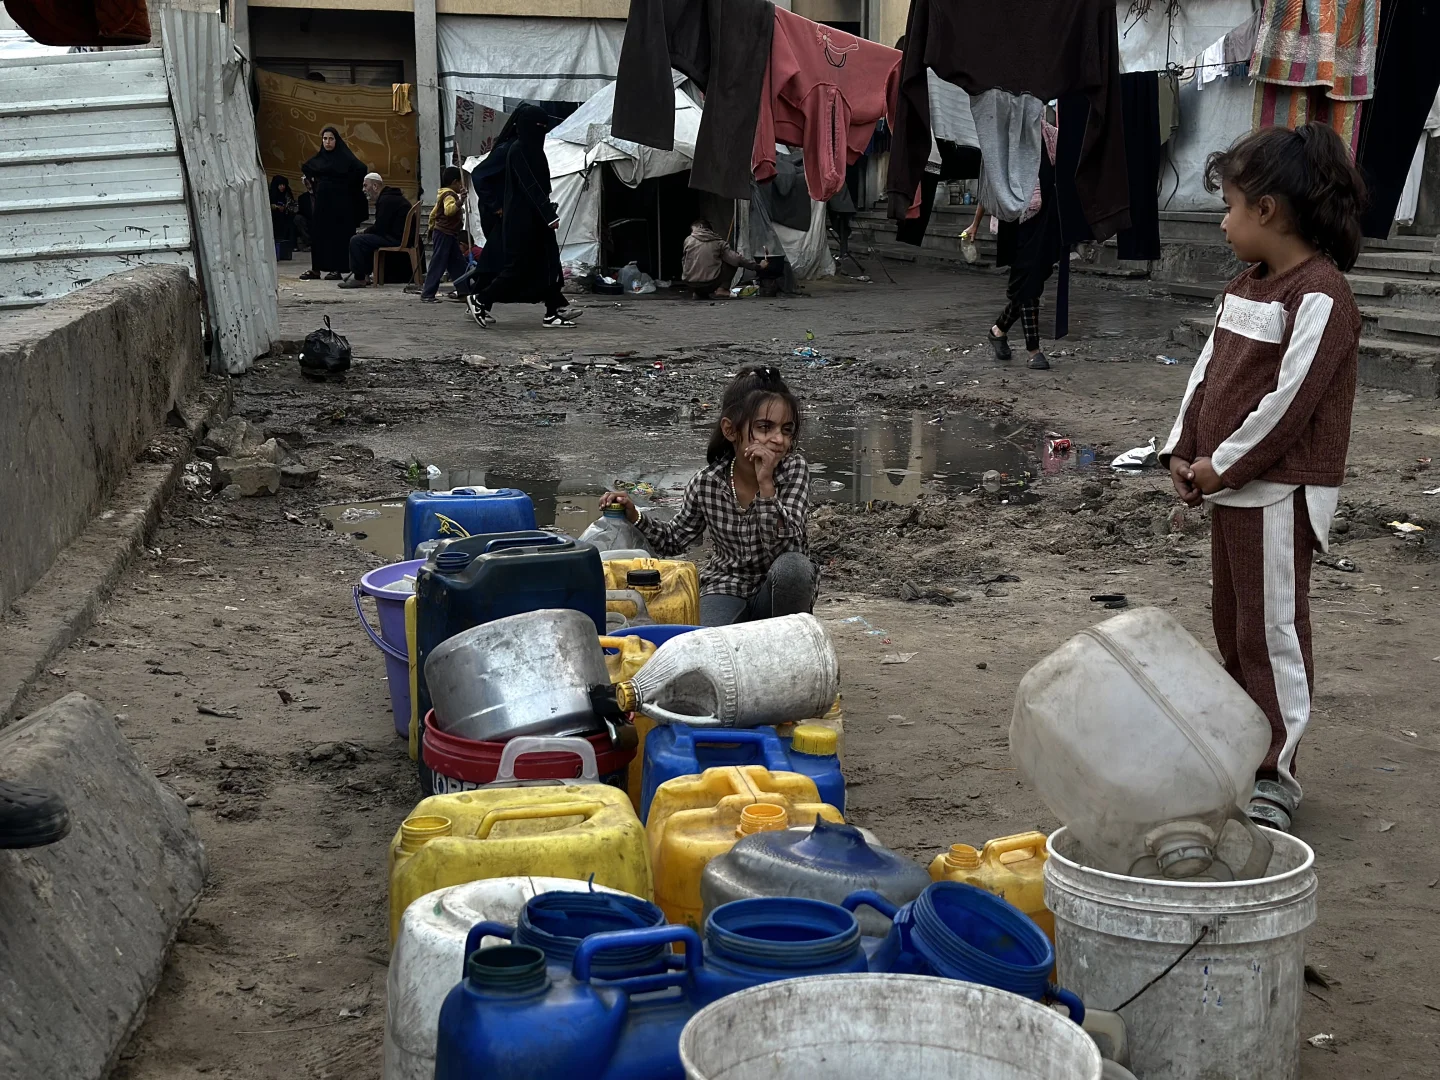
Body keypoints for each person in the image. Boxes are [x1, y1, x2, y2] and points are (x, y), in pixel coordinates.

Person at [1160, 123, 1366, 834]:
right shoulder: (1245, 286)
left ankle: (1277, 771)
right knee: (1233, 624)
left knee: (1272, 630)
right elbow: (1208, 374)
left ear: (1269, 211)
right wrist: (1181, 452)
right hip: (1228, 487)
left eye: (1229, 205)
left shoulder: (1322, 298)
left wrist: (1222, 464)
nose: (1223, 221)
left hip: (1279, 491)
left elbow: (1289, 405)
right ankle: (1240, 750)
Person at [601, 365, 817, 626]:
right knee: (705, 641)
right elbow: (673, 540)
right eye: (764, 427)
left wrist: (766, 486)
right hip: (726, 587)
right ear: (730, 430)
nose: (778, 439)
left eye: (786, 430)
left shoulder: (793, 470)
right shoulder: (708, 483)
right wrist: (635, 516)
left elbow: (789, 550)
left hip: (778, 592)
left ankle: (787, 645)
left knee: (794, 568)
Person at [466, 103, 577, 328]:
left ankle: (553, 307)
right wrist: (498, 206)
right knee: (509, 265)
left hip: (531, 217)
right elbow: (528, 185)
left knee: (545, 261)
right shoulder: (514, 149)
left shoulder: (531, 149)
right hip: (512, 217)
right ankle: (480, 299)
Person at [973, 113, 1062, 371]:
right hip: (1017, 224)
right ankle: (1034, 350)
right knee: (1028, 284)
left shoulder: (1050, 136)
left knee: (1031, 284)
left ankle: (998, 330)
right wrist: (975, 224)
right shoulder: (1005, 141)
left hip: (1046, 221)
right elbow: (990, 187)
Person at [299, 126, 366, 281]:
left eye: (331, 139)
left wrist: (346, 187)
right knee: (318, 233)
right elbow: (307, 168)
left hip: (340, 204)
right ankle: (316, 269)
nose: (327, 142)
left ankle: (337, 269)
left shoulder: (345, 158)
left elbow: (361, 169)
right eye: (325, 139)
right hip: (322, 202)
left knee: (337, 236)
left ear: (336, 140)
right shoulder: (320, 158)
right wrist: (313, 183)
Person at [340, 173, 413, 288]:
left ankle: (360, 278)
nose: (363, 189)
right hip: (398, 236)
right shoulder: (390, 197)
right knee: (365, 239)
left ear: (375, 186)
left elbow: (380, 228)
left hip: (395, 238)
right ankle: (365, 275)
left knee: (357, 240)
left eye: (365, 186)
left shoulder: (386, 200)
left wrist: (365, 231)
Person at [682, 218, 768, 300]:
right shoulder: (719, 243)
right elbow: (737, 259)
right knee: (733, 260)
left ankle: (699, 294)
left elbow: (684, 261)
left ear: (700, 227)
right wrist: (758, 266)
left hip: (689, 284)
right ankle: (722, 289)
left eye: (692, 230)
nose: (692, 233)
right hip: (709, 284)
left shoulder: (688, 240)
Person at [420, 166, 469, 303]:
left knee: (457, 263)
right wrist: (460, 201)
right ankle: (428, 294)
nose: (462, 186)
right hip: (444, 233)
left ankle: (463, 291)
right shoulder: (449, 195)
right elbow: (449, 211)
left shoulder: (445, 193)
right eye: (461, 182)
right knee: (438, 263)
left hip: (450, 233)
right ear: (455, 182)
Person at [269, 175, 298, 251]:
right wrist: (276, 207)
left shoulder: (287, 193)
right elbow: (267, 206)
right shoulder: (271, 194)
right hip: (274, 216)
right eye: (280, 185)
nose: (282, 187)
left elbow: (293, 205)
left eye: (284, 185)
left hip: (286, 215)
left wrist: (285, 207)